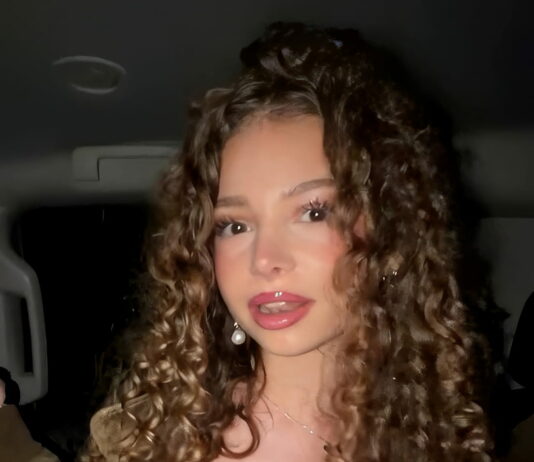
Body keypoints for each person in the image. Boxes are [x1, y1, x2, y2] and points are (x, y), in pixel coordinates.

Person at [81, 22, 495, 462]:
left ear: (391, 237)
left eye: (313, 212)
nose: (264, 260)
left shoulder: (433, 441)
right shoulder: (150, 444)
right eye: (234, 226)